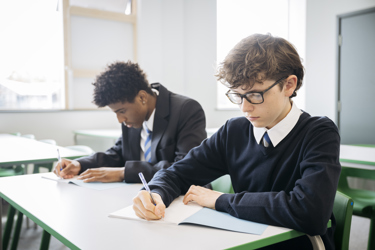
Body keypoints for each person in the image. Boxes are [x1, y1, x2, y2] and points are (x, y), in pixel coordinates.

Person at [132, 34, 341, 249]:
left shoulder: (319, 132)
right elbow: (178, 173)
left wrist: (220, 200)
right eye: (238, 96)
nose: (245, 108)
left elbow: (310, 211)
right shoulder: (235, 130)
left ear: (289, 85)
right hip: (245, 241)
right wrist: (155, 192)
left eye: (255, 95)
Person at [54, 61, 207, 183]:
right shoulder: (133, 118)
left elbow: (186, 167)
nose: (120, 120)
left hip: (183, 197)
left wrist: (123, 173)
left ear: (142, 98)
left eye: (121, 111)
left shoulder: (186, 110)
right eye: (116, 113)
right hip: (139, 194)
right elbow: (119, 153)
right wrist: (80, 164)